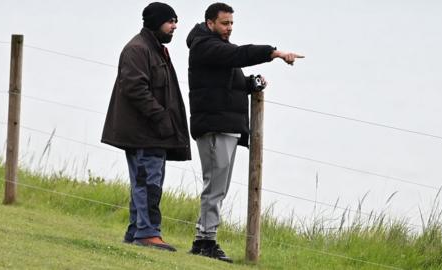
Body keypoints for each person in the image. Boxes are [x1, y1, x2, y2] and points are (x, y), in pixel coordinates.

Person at [186, 2, 304, 262]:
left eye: (231, 24)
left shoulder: (218, 49)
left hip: (226, 127)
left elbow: (231, 80)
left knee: (219, 187)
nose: (229, 28)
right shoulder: (205, 47)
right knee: (215, 187)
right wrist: (274, 53)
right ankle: (204, 241)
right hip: (214, 127)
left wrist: (252, 83)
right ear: (210, 23)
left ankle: (205, 239)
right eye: (224, 23)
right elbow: (239, 54)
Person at [101, 2, 191, 252]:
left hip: (152, 132)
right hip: (144, 133)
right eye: (170, 21)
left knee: (146, 181)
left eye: (175, 22)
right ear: (155, 22)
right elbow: (135, 88)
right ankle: (148, 233)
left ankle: (136, 230)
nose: (174, 27)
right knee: (148, 183)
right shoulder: (138, 49)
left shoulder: (154, 48)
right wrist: (161, 118)